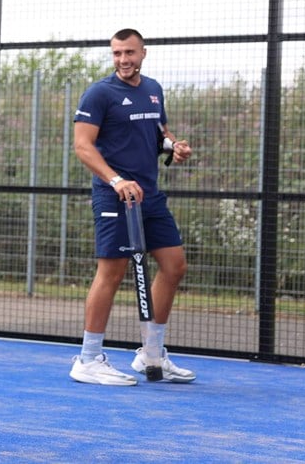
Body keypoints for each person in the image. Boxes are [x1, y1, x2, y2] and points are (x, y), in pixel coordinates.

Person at [69, 28, 197, 385]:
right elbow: (83, 146)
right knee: (111, 272)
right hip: (114, 196)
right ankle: (88, 359)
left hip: (149, 195)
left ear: (143, 53)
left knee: (174, 266)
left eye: (129, 53)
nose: (123, 60)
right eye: (117, 54)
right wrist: (115, 180)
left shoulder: (153, 90)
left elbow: (158, 131)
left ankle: (151, 355)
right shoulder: (99, 93)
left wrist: (174, 146)